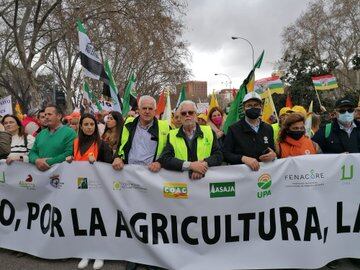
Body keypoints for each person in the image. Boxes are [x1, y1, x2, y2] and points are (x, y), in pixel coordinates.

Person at [112, 96, 170, 270]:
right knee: (133, 216)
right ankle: (134, 254)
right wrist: (118, 158)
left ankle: (153, 256)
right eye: (143, 108)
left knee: (153, 217)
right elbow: (122, 146)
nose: (146, 111)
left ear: (155, 110)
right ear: (138, 109)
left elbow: (170, 150)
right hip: (130, 177)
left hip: (153, 178)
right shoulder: (129, 124)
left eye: (150, 109)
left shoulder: (165, 127)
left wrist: (161, 162)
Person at [65, 113, 112, 270]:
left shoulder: (102, 144)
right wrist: (70, 159)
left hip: (99, 191)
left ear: (96, 126)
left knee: (98, 222)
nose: (89, 127)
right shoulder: (75, 143)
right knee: (84, 221)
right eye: (86, 124)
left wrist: (96, 163)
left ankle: (100, 253)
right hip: (81, 189)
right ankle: (86, 251)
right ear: (81, 126)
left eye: (92, 124)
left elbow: (110, 167)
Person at [159, 100, 222, 179]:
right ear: (180, 117)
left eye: (191, 112)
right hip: (181, 184)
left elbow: (218, 156)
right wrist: (190, 166)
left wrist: (203, 165)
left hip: (205, 182)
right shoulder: (172, 135)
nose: (187, 115)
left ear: (196, 115)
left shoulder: (209, 132)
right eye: (183, 113)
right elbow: (165, 159)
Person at [222, 92, 276, 171]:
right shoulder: (233, 129)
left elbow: (272, 150)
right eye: (249, 105)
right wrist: (242, 158)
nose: (253, 108)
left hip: (264, 176)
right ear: (244, 109)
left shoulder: (268, 128)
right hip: (242, 176)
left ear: (261, 107)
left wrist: (273, 155)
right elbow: (225, 154)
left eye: (256, 105)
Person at [29, 104, 77, 171]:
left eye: (49, 114)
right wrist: (36, 160)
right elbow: (32, 152)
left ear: (59, 116)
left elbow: (69, 153)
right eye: (45, 115)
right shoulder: (40, 134)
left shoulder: (70, 133)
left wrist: (48, 162)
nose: (46, 117)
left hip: (61, 175)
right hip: (40, 176)